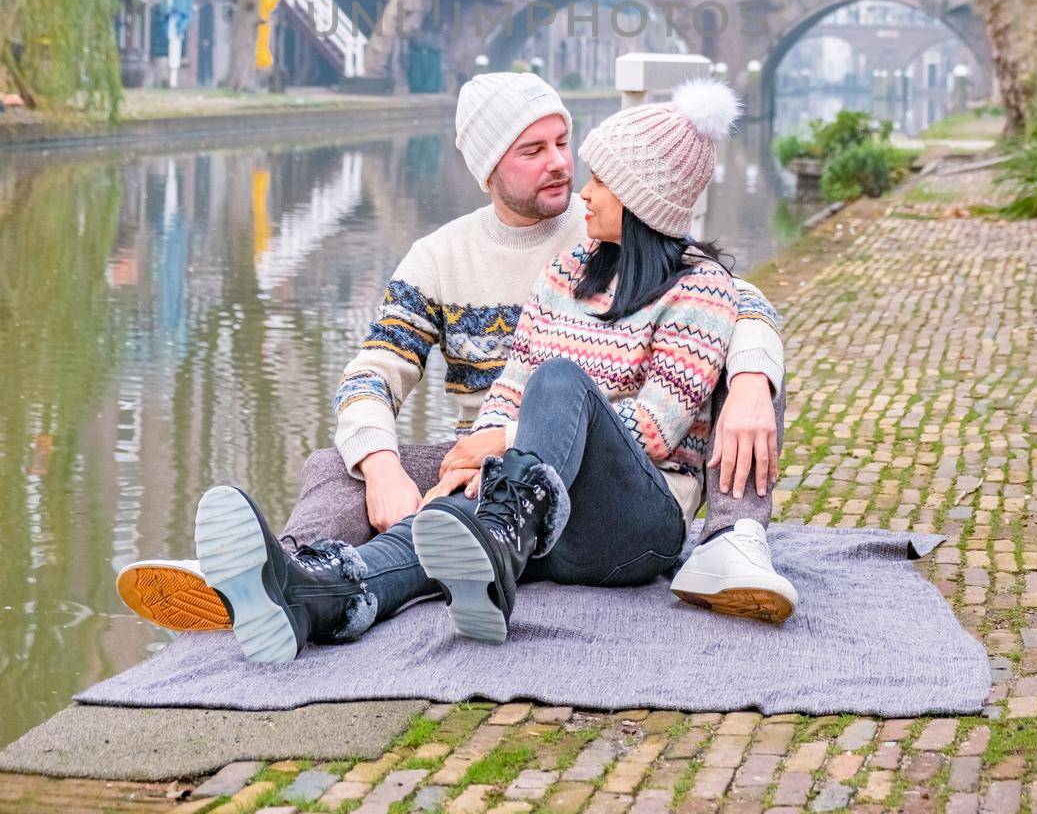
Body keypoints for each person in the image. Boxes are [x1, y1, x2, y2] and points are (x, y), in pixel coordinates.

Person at [117, 71, 795, 644]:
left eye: (568, 147)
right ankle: (299, 587)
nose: (565, 170)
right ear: (489, 168)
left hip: (609, 496)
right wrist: (413, 468)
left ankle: (532, 532)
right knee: (345, 469)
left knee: (556, 390)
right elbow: (421, 373)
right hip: (508, 476)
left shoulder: (659, 257)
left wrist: (750, 382)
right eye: (535, 150)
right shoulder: (528, 263)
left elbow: (737, 304)